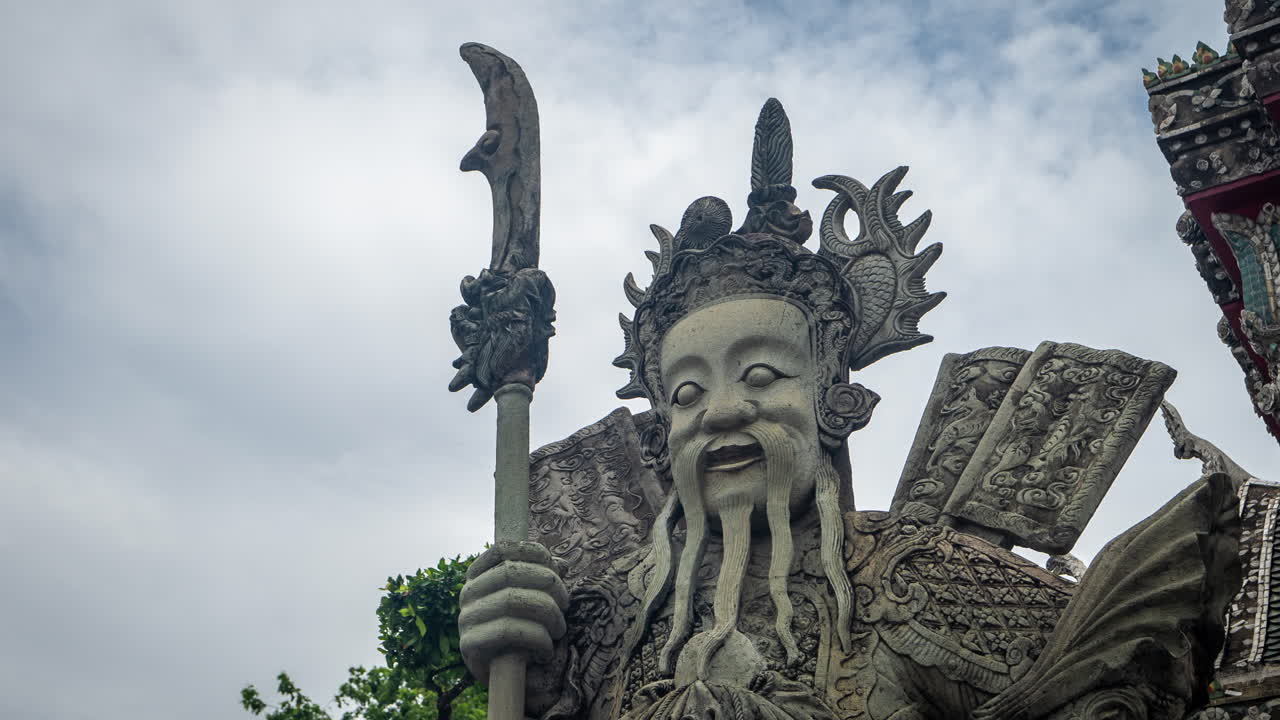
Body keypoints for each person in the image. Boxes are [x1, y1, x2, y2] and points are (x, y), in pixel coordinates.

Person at [457, 100, 1241, 720]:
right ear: (663, 432)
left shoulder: (922, 582)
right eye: (688, 393)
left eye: (761, 376)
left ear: (836, 400)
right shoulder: (604, 631)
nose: (722, 412)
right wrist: (521, 661)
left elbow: (1106, 682)